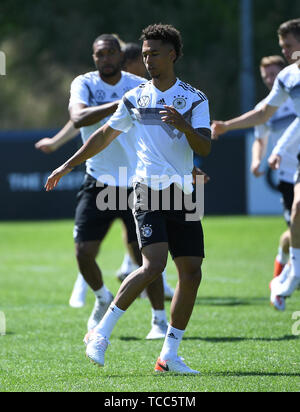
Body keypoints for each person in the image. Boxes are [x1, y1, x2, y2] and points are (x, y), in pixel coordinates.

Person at [45, 23, 211, 374]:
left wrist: (183, 126)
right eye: (145, 53)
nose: (148, 59)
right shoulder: (135, 97)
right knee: (153, 265)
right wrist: (66, 164)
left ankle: (169, 356)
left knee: (192, 273)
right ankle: (100, 334)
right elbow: (103, 135)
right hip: (147, 189)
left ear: (173, 55)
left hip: (183, 193)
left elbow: (205, 147)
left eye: (155, 53)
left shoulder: (195, 98)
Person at [41, 33, 170, 339]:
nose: (106, 59)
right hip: (98, 180)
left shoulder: (136, 83)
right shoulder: (84, 83)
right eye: (100, 54)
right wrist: (121, 104)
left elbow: (155, 127)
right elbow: (78, 116)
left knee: (146, 258)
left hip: (136, 182)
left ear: (119, 55)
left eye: (111, 53)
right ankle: (101, 297)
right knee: (84, 252)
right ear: (93, 57)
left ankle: (159, 319)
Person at [212, 19, 300, 311]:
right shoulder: (288, 78)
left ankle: (286, 276)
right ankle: (292, 273)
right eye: (282, 47)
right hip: (291, 165)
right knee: (297, 212)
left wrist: (280, 148)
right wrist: (227, 126)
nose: (285, 52)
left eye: (288, 46)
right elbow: (263, 113)